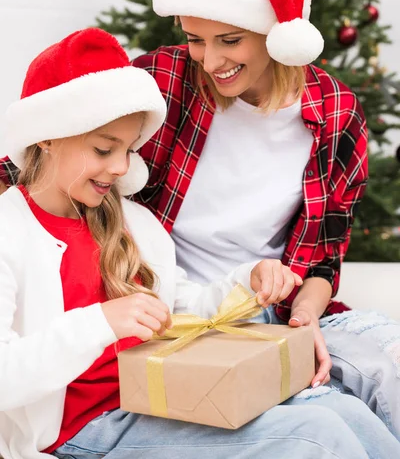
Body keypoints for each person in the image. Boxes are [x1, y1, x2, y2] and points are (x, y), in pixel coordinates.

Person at [4, 27, 399, 459]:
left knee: (344, 415)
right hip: (84, 429)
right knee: (314, 435)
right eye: (103, 149)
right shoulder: (12, 233)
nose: (120, 168)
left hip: (157, 397)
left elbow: (183, 303)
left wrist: (248, 281)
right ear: (46, 135)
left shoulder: (132, 224)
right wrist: (100, 323)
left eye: (129, 150)